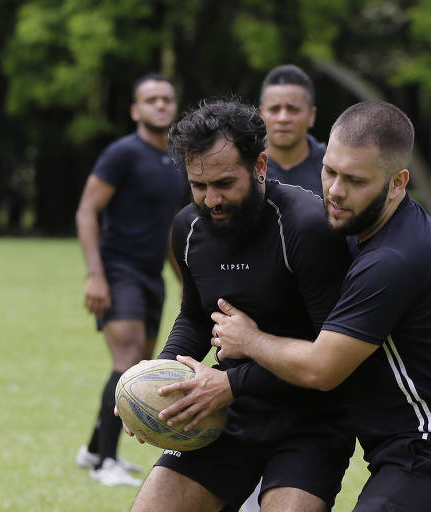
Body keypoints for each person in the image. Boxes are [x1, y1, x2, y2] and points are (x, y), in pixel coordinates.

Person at [212, 101, 431, 512]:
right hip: (410, 446)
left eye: (355, 179)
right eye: (330, 170)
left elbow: (321, 368)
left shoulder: (393, 260)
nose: (334, 190)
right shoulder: (360, 226)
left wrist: (250, 339)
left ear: (397, 182)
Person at [125, 100, 354, 512]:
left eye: (225, 184)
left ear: (260, 165)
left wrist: (232, 382)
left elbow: (331, 359)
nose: (211, 199)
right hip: (227, 411)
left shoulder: (307, 227)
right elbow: (196, 315)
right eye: (198, 186)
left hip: (310, 421)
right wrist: (154, 382)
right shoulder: (187, 229)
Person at [75, 73, 188, 487]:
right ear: (135, 110)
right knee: (125, 364)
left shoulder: (177, 161)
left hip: (151, 277)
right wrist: (95, 275)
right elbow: (87, 210)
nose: (160, 104)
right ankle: (107, 463)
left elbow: (169, 231)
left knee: (138, 369)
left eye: (166, 98)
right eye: (151, 99)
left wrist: (184, 280)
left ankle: (91, 451)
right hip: (117, 271)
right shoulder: (122, 153)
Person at [259, 64, 326, 196]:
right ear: (261, 115)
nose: (283, 118)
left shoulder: (331, 167)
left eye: (293, 109)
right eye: (274, 109)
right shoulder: (245, 165)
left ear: (311, 116)